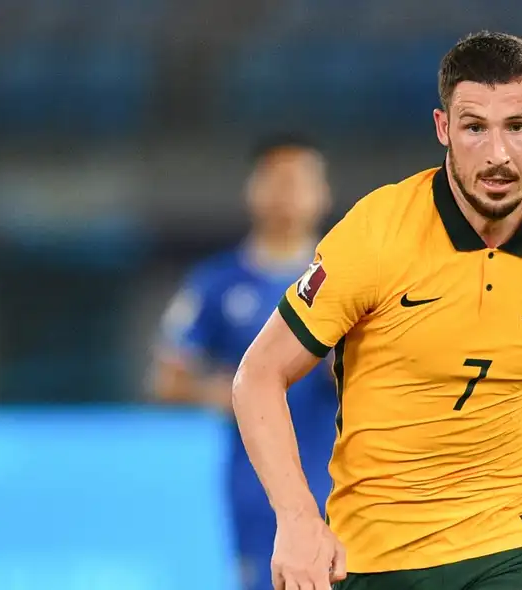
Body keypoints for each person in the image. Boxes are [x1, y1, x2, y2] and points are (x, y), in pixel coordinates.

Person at [232, 32, 522, 590]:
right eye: (475, 128)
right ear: (443, 128)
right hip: (374, 556)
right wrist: (298, 519)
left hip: (514, 542)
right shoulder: (376, 235)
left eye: (517, 127)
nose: (497, 156)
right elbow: (258, 375)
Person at [151, 134, 337, 590]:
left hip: (342, 480)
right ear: (253, 190)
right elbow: (167, 378)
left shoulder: (347, 279)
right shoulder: (217, 283)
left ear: (323, 193)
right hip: (258, 489)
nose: (288, 194)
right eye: (277, 181)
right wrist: (221, 391)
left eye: (300, 182)